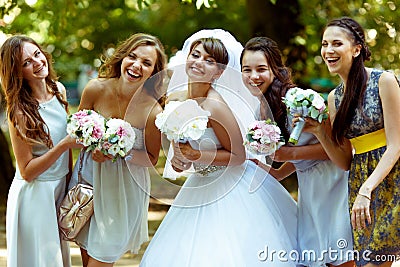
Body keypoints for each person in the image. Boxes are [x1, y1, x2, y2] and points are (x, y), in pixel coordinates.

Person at [140, 29, 298, 266]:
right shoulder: (179, 100)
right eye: (195, 55)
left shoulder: (216, 105)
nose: (199, 63)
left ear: (220, 72)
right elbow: (183, 150)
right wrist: (181, 159)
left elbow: (238, 155)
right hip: (200, 184)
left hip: (232, 185)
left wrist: (197, 154)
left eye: (210, 60)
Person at [241, 36, 355, 267]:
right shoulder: (261, 109)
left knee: (340, 256)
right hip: (309, 187)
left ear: (276, 70)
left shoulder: (299, 100)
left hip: (333, 183)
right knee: (316, 256)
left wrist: (289, 154)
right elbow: (296, 157)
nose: (254, 76)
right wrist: (273, 171)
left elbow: (338, 148)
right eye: (247, 70)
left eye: (261, 69)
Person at [303, 17, 400, 267]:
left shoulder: (384, 81)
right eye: (325, 44)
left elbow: (396, 144)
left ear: (356, 49)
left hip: (392, 176)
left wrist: (366, 190)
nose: (328, 51)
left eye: (337, 43)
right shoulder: (334, 98)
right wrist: (319, 132)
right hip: (361, 178)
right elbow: (345, 161)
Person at [72, 33, 167, 266]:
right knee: (86, 257)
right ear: (122, 57)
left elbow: (152, 158)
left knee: (100, 260)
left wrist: (122, 152)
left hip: (124, 191)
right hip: (88, 183)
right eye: (132, 57)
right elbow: (77, 130)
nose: (136, 66)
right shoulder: (95, 89)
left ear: (154, 72)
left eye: (146, 63)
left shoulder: (153, 110)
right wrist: (91, 146)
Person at [0, 35, 83, 267]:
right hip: (35, 196)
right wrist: (64, 145)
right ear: (17, 72)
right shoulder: (18, 111)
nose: (37, 62)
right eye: (26, 62)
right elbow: (26, 171)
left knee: (58, 257)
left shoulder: (59, 90)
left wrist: (69, 184)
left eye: (37, 54)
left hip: (58, 189)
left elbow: (65, 148)